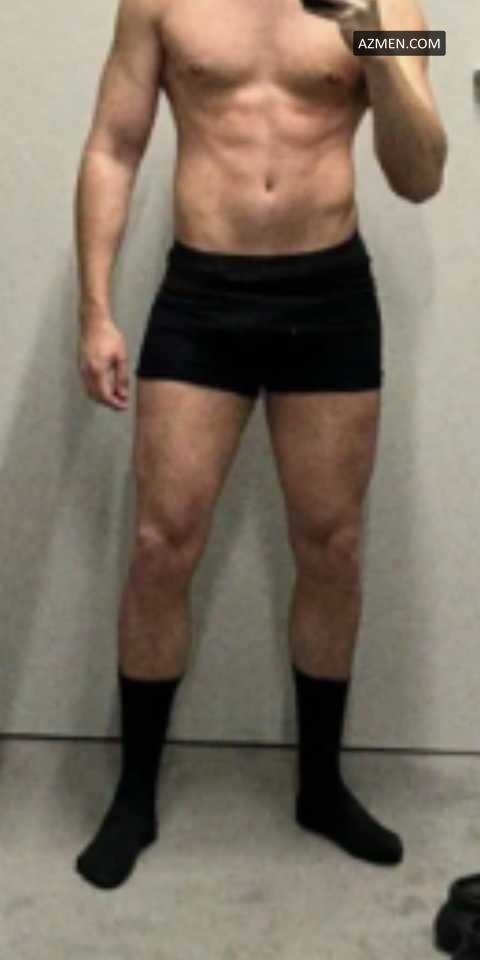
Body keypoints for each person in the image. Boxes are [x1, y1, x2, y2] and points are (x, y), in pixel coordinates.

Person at [74, 0, 447, 889]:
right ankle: (133, 794)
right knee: (160, 544)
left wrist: (374, 41)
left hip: (330, 296)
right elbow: (112, 147)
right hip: (202, 295)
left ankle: (320, 787)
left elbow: (421, 174)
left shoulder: (395, 4)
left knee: (333, 546)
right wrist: (95, 310)